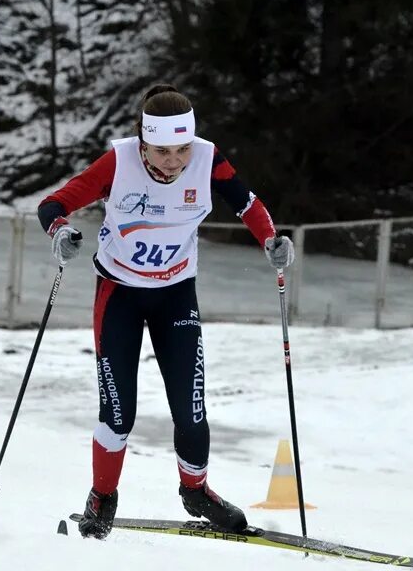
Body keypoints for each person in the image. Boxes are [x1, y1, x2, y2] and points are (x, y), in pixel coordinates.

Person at [37, 84, 295, 539]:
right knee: (118, 414)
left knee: (191, 408)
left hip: (176, 293)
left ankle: (196, 490)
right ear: (142, 142)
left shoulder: (207, 157)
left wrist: (272, 240)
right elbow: (53, 203)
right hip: (119, 293)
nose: (173, 161)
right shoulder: (118, 161)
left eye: (180, 149)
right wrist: (59, 231)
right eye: (161, 150)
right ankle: (102, 497)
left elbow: (247, 203)